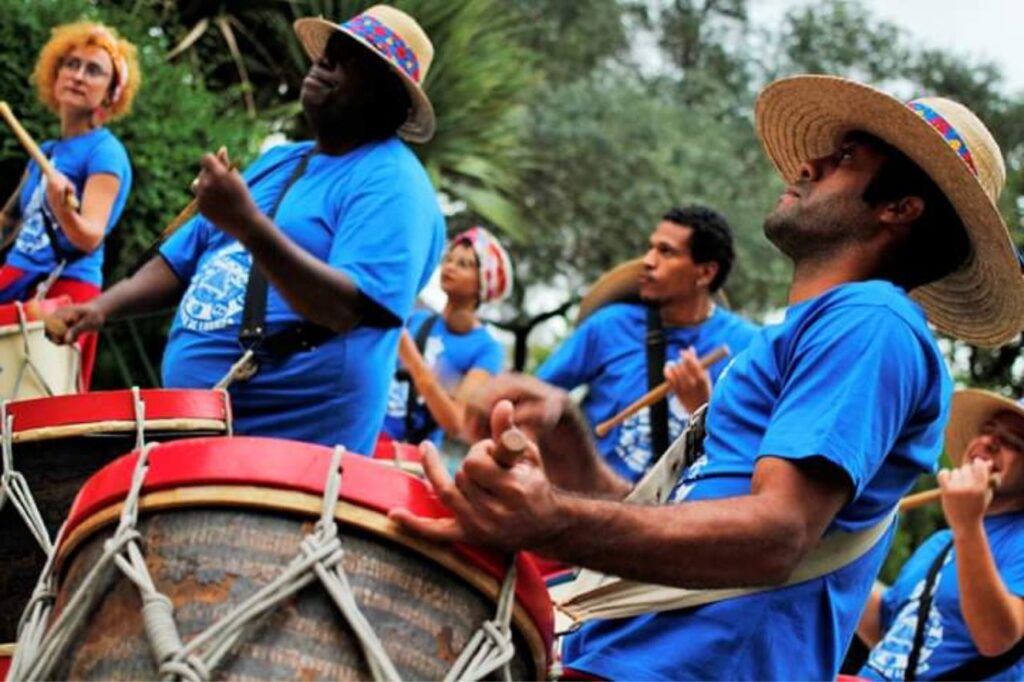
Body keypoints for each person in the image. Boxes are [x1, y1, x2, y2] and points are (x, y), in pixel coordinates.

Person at [391, 75, 1024, 680]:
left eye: (846, 158)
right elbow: (685, 516)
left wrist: (550, 517)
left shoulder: (871, 321)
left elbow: (776, 533)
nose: (809, 165)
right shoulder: (809, 331)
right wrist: (567, 438)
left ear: (900, 208)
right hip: (630, 653)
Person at [48, 5, 445, 455]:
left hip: (291, 458)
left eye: (350, 59)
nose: (323, 62)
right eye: (327, 52)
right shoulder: (280, 161)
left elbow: (343, 309)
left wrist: (248, 225)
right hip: (195, 436)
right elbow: (181, 260)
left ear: (387, 99)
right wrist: (101, 308)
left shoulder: (394, 184)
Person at [536, 205, 758, 482]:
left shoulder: (749, 348)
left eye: (666, 252)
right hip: (594, 505)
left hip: (682, 515)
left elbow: (750, 450)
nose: (648, 260)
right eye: (650, 248)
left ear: (705, 273)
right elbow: (535, 396)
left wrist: (703, 410)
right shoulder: (608, 327)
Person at [0, 22, 139, 387]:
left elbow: (90, 236)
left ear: (111, 93)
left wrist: (63, 211)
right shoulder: (44, 153)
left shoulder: (105, 152)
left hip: (65, 291)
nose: (78, 76)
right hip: (17, 283)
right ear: (55, 74)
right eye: (71, 64)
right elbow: (9, 220)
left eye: (94, 70)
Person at [857, 389, 1024, 681]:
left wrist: (967, 526)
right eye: (986, 431)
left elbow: (997, 638)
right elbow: (890, 629)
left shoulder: (992, 536)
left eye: (1012, 442)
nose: (989, 442)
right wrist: (831, 555)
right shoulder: (941, 542)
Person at [383, 226, 511, 447]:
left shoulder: (487, 349)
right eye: (448, 259)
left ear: (482, 283)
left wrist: (413, 361)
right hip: (368, 435)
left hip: (409, 457)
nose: (449, 267)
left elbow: (457, 423)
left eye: (463, 264)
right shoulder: (418, 320)